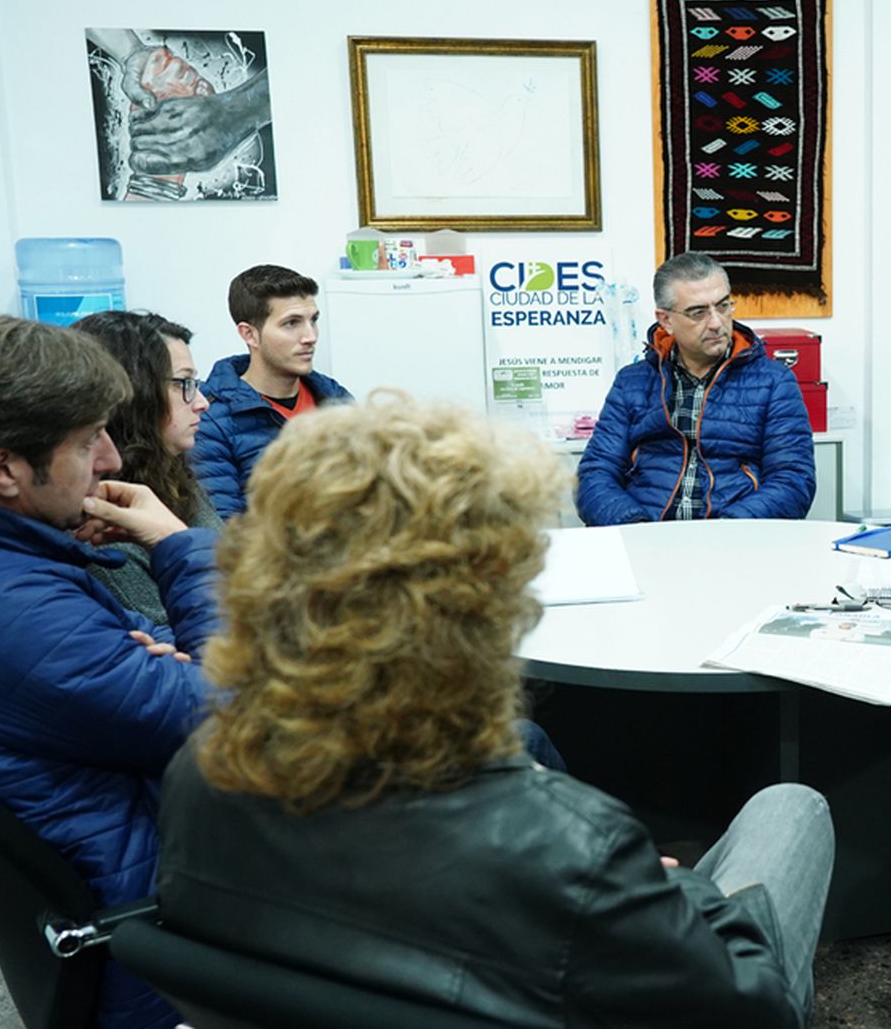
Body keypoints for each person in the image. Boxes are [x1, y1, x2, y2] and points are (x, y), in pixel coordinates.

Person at [157, 394, 835, 1026]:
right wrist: (681, 891)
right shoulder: (570, 846)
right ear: (478, 612)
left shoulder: (201, 773)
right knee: (791, 808)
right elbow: (756, 1008)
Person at [0, 311, 216, 1029]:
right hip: (173, 929)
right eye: (85, 440)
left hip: (151, 870)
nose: (109, 459)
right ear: (3, 469)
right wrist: (179, 547)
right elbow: (245, 712)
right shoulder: (8, 607)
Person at [577, 253, 816, 524]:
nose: (716, 322)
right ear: (665, 320)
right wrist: (634, 527)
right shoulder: (633, 383)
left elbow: (794, 480)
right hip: (647, 534)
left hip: (737, 541)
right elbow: (595, 474)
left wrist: (731, 528)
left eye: (723, 306)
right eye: (698, 312)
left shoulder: (774, 382)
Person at [75, 310, 221, 623]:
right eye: (185, 383)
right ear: (134, 394)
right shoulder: (98, 522)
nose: (202, 401)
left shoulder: (170, 471)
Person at [192, 263, 351, 518]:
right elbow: (225, 534)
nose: (310, 336)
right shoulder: (211, 420)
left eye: (313, 320)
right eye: (291, 323)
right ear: (250, 335)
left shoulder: (334, 398)